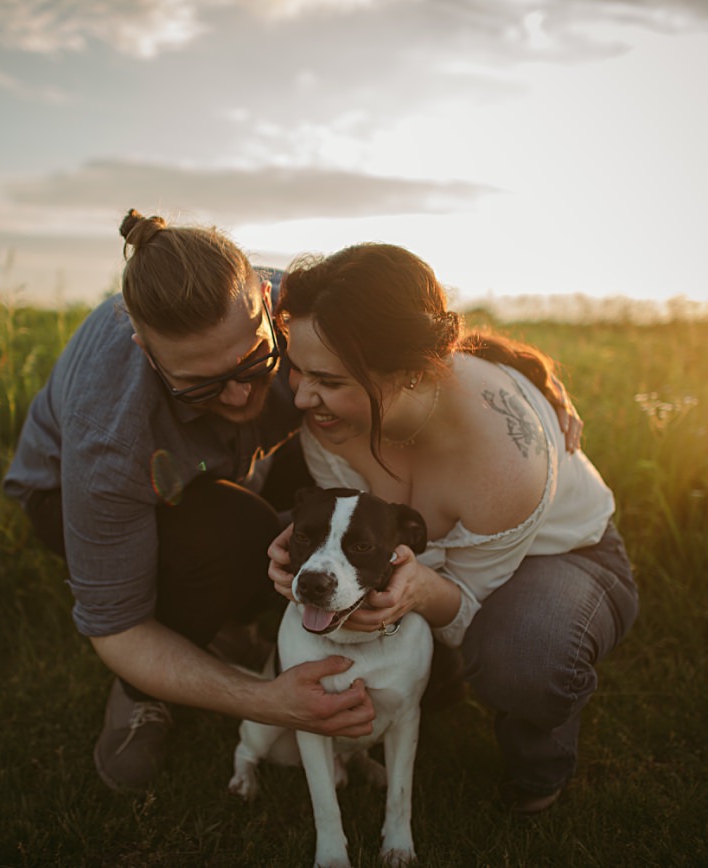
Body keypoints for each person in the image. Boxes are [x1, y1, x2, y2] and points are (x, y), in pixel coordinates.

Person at [2, 209, 378, 792]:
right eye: (200, 386)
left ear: (267, 300)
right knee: (234, 533)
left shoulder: (303, 308)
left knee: (323, 479)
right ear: (146, 352)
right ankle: (141, 690)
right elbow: (118, 629)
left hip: (235, 465)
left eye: (255, 361)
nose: (240, 394)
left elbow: (409, 352)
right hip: (69, 496)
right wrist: (268, 702)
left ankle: (225, 623)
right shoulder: (111, 435)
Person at [268, 242, 638, 813]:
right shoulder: (330, 416)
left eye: (329, 381)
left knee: (522, 653)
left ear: (411, 373)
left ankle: (537, 765)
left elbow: (464, 607)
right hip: (414, 555)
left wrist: (416, 591)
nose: (301, 395)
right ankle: (425, 685)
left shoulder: (504, 464)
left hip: (561, 554)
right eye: (299, 370)